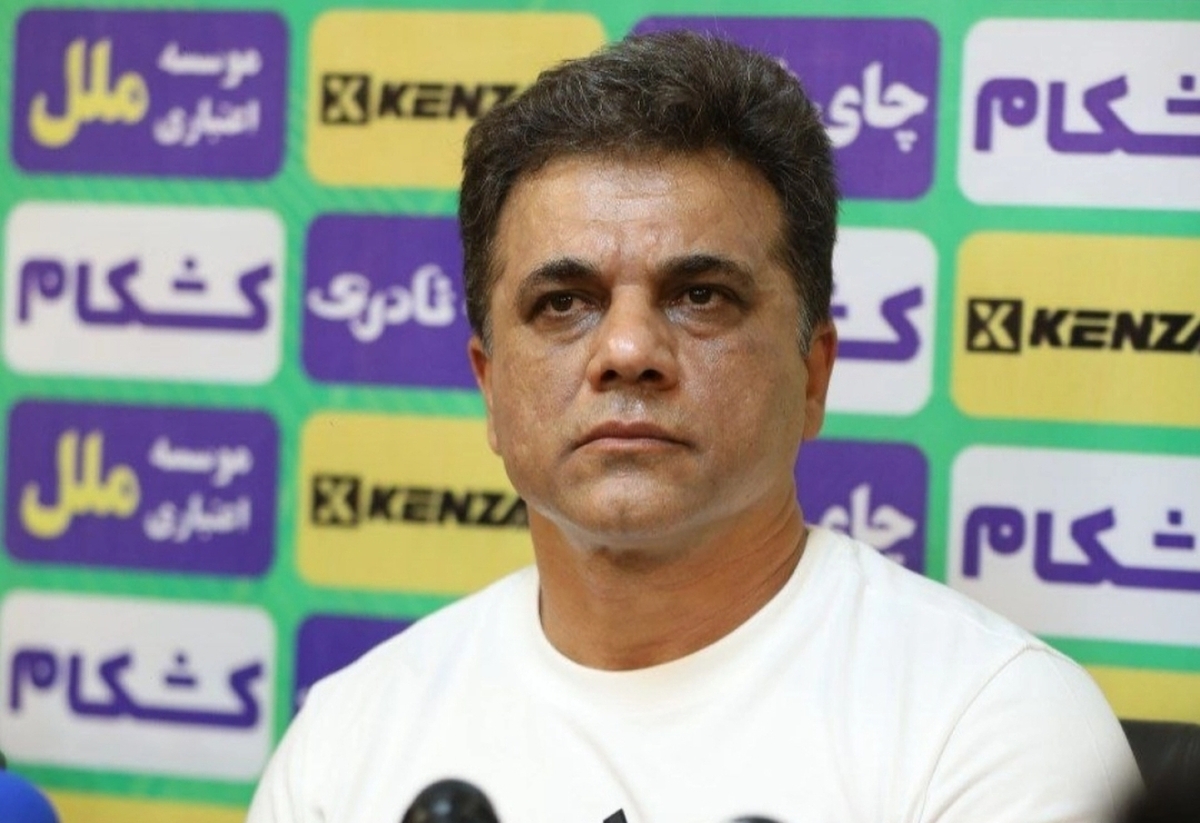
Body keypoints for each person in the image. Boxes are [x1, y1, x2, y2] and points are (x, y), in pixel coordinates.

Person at [248, 31, 1140, 823]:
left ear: (813, 373)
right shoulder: (347, 743)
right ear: (490, 385)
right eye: (563, 303)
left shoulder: (991, 729)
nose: (627, 350)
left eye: (700, 295)